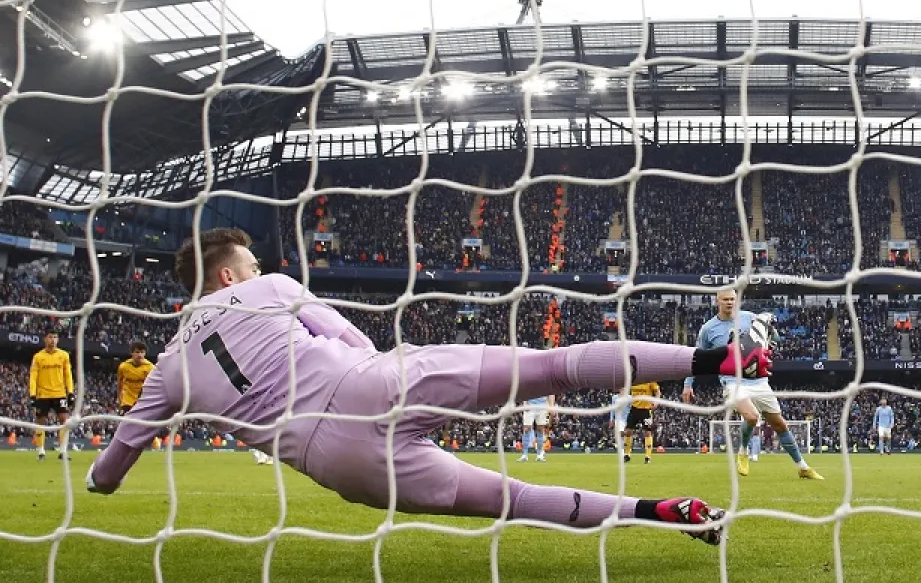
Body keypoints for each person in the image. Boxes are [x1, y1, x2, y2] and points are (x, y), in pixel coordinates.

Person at [85, 229, 764, 547]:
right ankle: (713, 366)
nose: (260, 267)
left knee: (511, 500)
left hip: (340, 467)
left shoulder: (169, 368)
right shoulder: (272, 287)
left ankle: (657, 513)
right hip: (371, 386)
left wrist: (98, 484)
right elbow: (349, 339)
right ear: (231, 275)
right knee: (545, 367)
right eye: (251, 261)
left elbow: (115, 460)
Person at [682, 290, 822, 480]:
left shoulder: (749, 318)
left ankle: (802, 467)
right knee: (751, 416)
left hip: (759, 380)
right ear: (717, 301)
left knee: (779, 425)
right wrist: (688, 384)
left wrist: (772, 337)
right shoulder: (708, 329)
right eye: (725, 300)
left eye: (732, 299)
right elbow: (696, 358)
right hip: (732, 381)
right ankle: (743, 452)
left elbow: (772, 336)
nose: (730, 302)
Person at [29, 330, 73, 461]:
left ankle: (63, 451)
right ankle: (41, 451)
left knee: (64, 421)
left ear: (58, 339)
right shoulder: (38, 357)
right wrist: (32, 394)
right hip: (43, 394)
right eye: (50, 337)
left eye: (55, 337)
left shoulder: (64, 355)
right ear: (45, 339)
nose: (52, 340)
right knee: (40, 422)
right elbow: (33, 376)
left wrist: (70, 392)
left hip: (59, 393)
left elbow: (68, 375)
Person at [622, 379, 660, 463]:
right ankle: (627, 455)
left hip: (646, 411)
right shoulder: (633, 380)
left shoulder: (649, 380)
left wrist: (656, 402)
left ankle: (648, 457)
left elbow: (657, 392)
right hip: (634, 410)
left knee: (647, 432)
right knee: (628, 431)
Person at [517, 394, 554, 462]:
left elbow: (551, 393)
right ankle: (524, 455)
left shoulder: (547, 383)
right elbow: (525, 389)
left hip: (542, 406)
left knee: (540, 430)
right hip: (530, 405)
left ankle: (539, 455)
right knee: (526, 429)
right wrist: (525, 403)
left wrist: (551, 406)